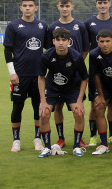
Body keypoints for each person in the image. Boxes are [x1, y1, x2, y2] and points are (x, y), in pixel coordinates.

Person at [4, 0, 48, 152]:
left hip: (38, 76)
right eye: (25, 5)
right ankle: (16, 140)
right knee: (17, 107)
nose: (28, 8)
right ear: (20, 8)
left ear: (36, 8)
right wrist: (12, 73)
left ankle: (37, 139)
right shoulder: (13, 26)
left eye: (31, 5)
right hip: (20, 75)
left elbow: (49, 49)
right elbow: (8, 51)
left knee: (38, 108)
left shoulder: (43, 25)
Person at [46, 0, 90, 149]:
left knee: (77, 108)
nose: (64, 8)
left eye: (67, 6)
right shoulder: (52, 28)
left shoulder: (80, 26)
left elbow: (85, 49)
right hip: (57, 75)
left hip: (76, 75)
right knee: (57, 107)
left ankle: (79, 140)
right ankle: (61, 138)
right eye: (62, 6)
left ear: (72, 6)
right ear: (58, 7)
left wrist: (76, 65)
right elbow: (49, 51)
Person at [36, 28, 88, 158]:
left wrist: (80, 100)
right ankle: (47, 148)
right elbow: (41, 77)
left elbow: (84, 78)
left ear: (69, 41)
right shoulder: (46, 56)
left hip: (72, 87)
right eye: (58, 40)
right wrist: (42, 101)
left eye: (63, 40)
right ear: (53, 41)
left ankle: (76, 146)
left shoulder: (76, 56)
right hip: (52, 87)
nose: (60, 43)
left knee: (79, 113)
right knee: (44, 113)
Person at [84, 0, 112, 147]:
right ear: (96, 4)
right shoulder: (89, 23)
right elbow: (86, 46)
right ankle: (93, 135)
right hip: (97, 69)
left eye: (105, 2)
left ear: (109, 4)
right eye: (99, 3)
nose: (102, 5)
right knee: (95, 104)